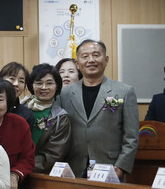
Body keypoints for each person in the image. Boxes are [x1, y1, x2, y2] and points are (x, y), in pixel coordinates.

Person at [58, 40, 139, 179]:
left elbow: (131, 136)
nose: (91, 60)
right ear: (77, 63)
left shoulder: (125, 92)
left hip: (110, 167)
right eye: (85, 56)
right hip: (73, 168)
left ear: (106, 60)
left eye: (96, 55)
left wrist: (121, 166)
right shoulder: (64, 94)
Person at [25, 64, 72, 173]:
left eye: (49, 83)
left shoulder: (61, 117)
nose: (44, 87)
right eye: (39, 83)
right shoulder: (21, 109)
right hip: (11, 171)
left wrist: (22, 166)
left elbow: (53, 155)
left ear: (57, 86)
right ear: (32, 85)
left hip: (38, 174)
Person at [0, 62, 35, 128]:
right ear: (1, 80)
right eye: (12, 78)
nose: (16, 84)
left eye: (21, 81)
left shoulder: (27, 115)